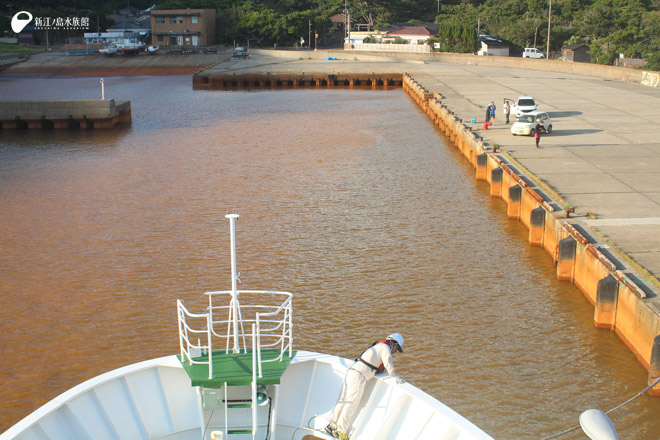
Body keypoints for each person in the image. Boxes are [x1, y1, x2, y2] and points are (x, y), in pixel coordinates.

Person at [325, 333, 405, 440]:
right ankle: (340, 431)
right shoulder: (385, 348)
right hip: (358, 376)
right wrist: (394, 376)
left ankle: (332, 425)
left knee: (344, 401)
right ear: (394, 344)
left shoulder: (377, 346)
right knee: (351, 405)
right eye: (397, 349)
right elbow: (388, 363)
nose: (395, 352)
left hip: (352, 372)